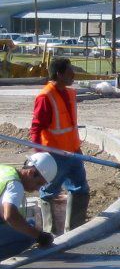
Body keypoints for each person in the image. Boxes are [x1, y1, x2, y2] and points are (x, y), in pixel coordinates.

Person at [30, 57, 90, 234]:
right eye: (70, 71)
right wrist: (39, 156)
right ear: (59, 74)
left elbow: (69, 125)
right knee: (49, 192)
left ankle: (74, 232)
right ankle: (51, 234)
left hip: (73, 153)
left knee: (80, 188)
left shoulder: (70, 93)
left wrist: (76, 146)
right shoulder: (45, 96)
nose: (73, 74)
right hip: (54, 155)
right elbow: (36, 128)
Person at [0, 153, 57, 259]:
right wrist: (39, 236)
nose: (37, 188)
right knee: (29, 236)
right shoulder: (15, 185)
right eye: (39, 183)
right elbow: (10, 216)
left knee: (28, 225)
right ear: (31, 172)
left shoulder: (5, 170)